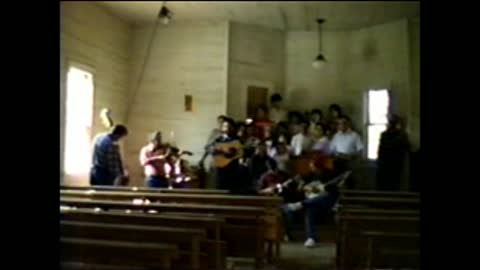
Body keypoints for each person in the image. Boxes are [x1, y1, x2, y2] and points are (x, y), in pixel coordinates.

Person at [282, 156, 350, 247]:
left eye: (313, 167)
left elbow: (335, 190)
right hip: (313, 202)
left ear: (319, 167)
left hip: (328, 203)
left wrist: (323, 189)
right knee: (311, 209)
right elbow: (299, 181)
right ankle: (311, 238)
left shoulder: (331, 175)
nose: (312, 168)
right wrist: (301, 185)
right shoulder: (311, 175)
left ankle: (300, 204)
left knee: (328, 196)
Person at [376, 115, 410, 191]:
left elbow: (407, 147)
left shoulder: (401, 135)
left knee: (392, 184)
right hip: (387, 162)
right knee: (386, 184)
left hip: (394, 162)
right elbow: (381, 149)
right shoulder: (386, 134)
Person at [329, 116, 364, 188]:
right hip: (338, 163)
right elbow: (331, 150)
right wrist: (337, 155)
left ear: (348, 124)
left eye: (343, 123)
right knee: (337, 183)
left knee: (349, 184)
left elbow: (360, 150)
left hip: (350, 162)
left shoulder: (355, 135)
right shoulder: (336, 136)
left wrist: (351, 156)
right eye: (339, 123)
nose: (341, 125)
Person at [210, 118, 243, 193]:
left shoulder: (236, 140)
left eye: (228, 126)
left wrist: (229, 153)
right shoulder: (218, 139)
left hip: (231, 168)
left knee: (230, 189)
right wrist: (216, 151)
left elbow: (239, 153)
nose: (226, 128)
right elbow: (211, 149)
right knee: (219, 189)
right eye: (224, 126)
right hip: (220, 167)